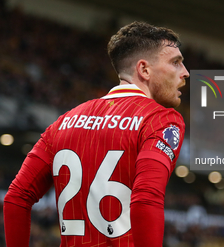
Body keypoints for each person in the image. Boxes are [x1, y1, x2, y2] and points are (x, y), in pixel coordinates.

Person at [4, 21, 189, 247]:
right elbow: (146, 199)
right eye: (176, 62)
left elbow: (16, 198)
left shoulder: (63, 122)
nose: (185, 73)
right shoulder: (160, 119)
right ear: (144, 70)